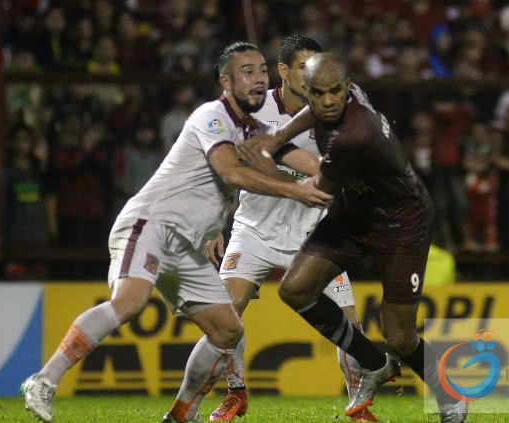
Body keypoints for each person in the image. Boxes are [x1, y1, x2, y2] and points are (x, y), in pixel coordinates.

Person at [21, 41, 332, 423]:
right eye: (247, 71)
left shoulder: (258, 130)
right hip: (150, 223)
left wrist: (339, 172)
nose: (258, 79)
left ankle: (181, 414)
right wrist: (295, 189)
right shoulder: (211, 116)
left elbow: (304, 161)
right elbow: (231, 172)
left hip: (185, 246)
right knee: (130, 302)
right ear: (226, 81)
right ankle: (44, 380)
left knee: (226, 331)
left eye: (262, 71)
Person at [243, 53, 468, 423]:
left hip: (401, 223)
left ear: (347, 89)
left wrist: (270, 156)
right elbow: (316, 113)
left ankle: (450, 394)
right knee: (294, 290)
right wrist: (279, 134)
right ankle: (374, 363)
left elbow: (317, 191)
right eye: (319, 93)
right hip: (358, 212)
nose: (328, 100)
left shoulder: (353, 136)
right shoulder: (344, 97)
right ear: (309, 92)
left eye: (334, 92)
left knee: (399, 336)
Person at [203, 35, 375, 423]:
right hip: (253, 229)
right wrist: (214, 221)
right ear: (283, 71)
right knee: (226, 315)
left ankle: (359, 408)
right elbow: (225, 168)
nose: (313, 75)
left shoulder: (333, 111)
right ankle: (236, 393)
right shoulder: (254, 109)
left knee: (348, 323)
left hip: (314, 233)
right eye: (303, 67)